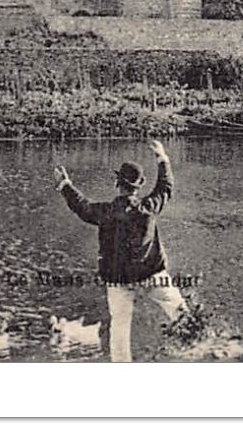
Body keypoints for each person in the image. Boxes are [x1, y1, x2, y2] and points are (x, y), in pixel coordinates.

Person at [56, 139, 187, 361]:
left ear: (117, 183)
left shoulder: (105, 212)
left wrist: (65, 185)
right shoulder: (148, 207)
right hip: (152, 274)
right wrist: (162, 158)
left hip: (118, 280)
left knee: (119, 328)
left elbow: (82, 206)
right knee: (180, 312)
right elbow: (166, 187)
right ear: (139, 185)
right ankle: (201, 344)